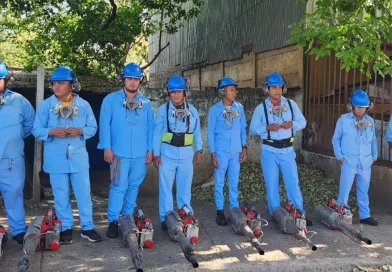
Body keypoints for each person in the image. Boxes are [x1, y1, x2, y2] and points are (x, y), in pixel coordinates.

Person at [32, 66, 102, 244]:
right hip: (56, 159)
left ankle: (87, 227)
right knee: (60, 194)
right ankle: (65, 227)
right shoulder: (46, 106)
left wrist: (80, 130)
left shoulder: (83, 105)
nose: (56, 86)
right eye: (54, 83)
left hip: (78, 159)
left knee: (83, 194)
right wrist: (52, 132)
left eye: (61, 83)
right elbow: (36, 129)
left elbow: (93, 128)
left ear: (72, 85)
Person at [98, 62, 154, 238]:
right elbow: (104, 125)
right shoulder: (111, 100)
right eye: (129, 78)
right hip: (119, 154)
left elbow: (151, 128)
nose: (132, 82)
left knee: (133, 187)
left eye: (136, 79)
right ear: (123, 80)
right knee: (118, 187)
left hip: (140, 154)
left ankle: (127, 218)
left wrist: (150, 150)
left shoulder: (145, 103)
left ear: (140, 81)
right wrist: (106, 147)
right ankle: (113, 221)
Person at [249, 72, 311, 225]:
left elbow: (302, 122)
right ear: (267, 89)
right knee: (271, 184)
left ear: (283, 89)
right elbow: (252, 129)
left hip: (288, 150)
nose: (277, 90)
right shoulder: (261, 108)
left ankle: (299, 213)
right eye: (273, 87)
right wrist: (268, 127)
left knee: (292, 183)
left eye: (279, 87)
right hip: (269, 150)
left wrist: (293, 124)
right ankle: (275, 213)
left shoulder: (290, 105)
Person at [153, 74, 202, 230]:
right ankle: (166, 218)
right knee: (166, 188)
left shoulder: (192, 110)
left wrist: (199, 149)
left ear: (184, 93)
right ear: (169, 93)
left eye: (179, 91)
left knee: (184, 189)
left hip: (186, 155)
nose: (176, 95)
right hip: (167, 155)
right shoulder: (163, 110)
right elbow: (156, 133)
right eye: (173, 92)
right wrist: (156, 154)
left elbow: (197, 132)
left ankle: (185, 215)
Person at [0, 61, 35, 244]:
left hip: (12, 159)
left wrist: (14, 137)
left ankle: (19, 230)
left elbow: (31, 123)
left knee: (14, 194)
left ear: (7, 80)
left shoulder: (19, 101)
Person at [332, 89, 378, 226]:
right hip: (349, 162)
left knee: (363, 191)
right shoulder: (343, 120)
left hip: (365, 162)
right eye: (358, 107)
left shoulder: (370, 121)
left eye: (364, 107)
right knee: (344, 191)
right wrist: (340, 157)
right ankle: (342, 214)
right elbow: (336, 139)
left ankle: (365, 215)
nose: (361, 110)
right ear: (351, 106)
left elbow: (374, 140)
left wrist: (374, 156)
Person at [207, 76, 247, 226]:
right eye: (231, 89)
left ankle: (233, 209)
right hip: (221, 151)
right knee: (219, 182)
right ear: (223, 91)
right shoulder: (215, 110)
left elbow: (243, 128)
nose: (234, 92)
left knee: (234, 182)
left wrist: (244, 148)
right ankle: (219, 211)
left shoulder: (239, 108)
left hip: (236, 151)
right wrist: (212, 153)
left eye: (235, 89)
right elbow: (210, 132)